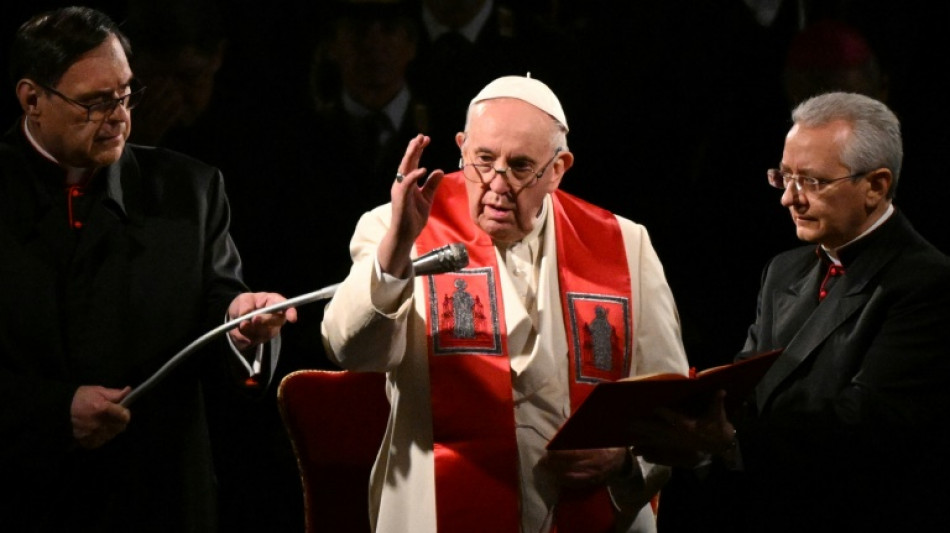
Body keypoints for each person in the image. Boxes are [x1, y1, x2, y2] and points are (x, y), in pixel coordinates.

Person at [321, 74, 689, 532]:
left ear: (558, 168)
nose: (497, 185)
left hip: (587, 514)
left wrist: (624, 461)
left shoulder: (624, 244)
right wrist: (396, 253)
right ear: (461, 146)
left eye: (519, 167)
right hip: (442, 511)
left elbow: (670, 404)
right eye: (483, 160)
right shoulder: (398, 228)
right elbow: (351, 351)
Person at [0, 7, 297, 531]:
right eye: (95, 102)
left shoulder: (190, 190)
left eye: (125, 94)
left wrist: (243, 322)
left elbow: (221, 304)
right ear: (32, 100)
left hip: (155, 497)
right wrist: (51, 413)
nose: (118, 115)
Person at [628, 92, 950, 532]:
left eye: (812, 182)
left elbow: (871, 424)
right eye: (785, 177)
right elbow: (747, 384)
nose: (788, 200)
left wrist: (729, 440)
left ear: (875, 186)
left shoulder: (926, 282)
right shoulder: (784, 269)